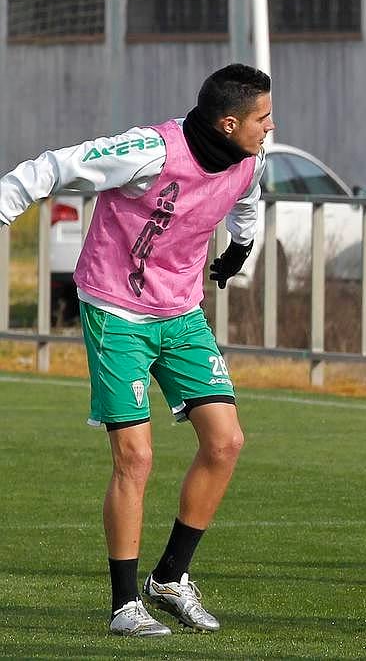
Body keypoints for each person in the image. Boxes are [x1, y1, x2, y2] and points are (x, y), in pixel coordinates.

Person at [0, 64, 274, 636]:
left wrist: (240, 248)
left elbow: (247, 199)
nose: (270, 127)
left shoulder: (249, 158)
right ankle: (126, 604)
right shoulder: (149, 150)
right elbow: (53, 166)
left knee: (225, 443)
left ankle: (170, 579)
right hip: (116, 312)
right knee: (137, 457)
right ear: (229, 123)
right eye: (263, 118)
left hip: (181, 312)